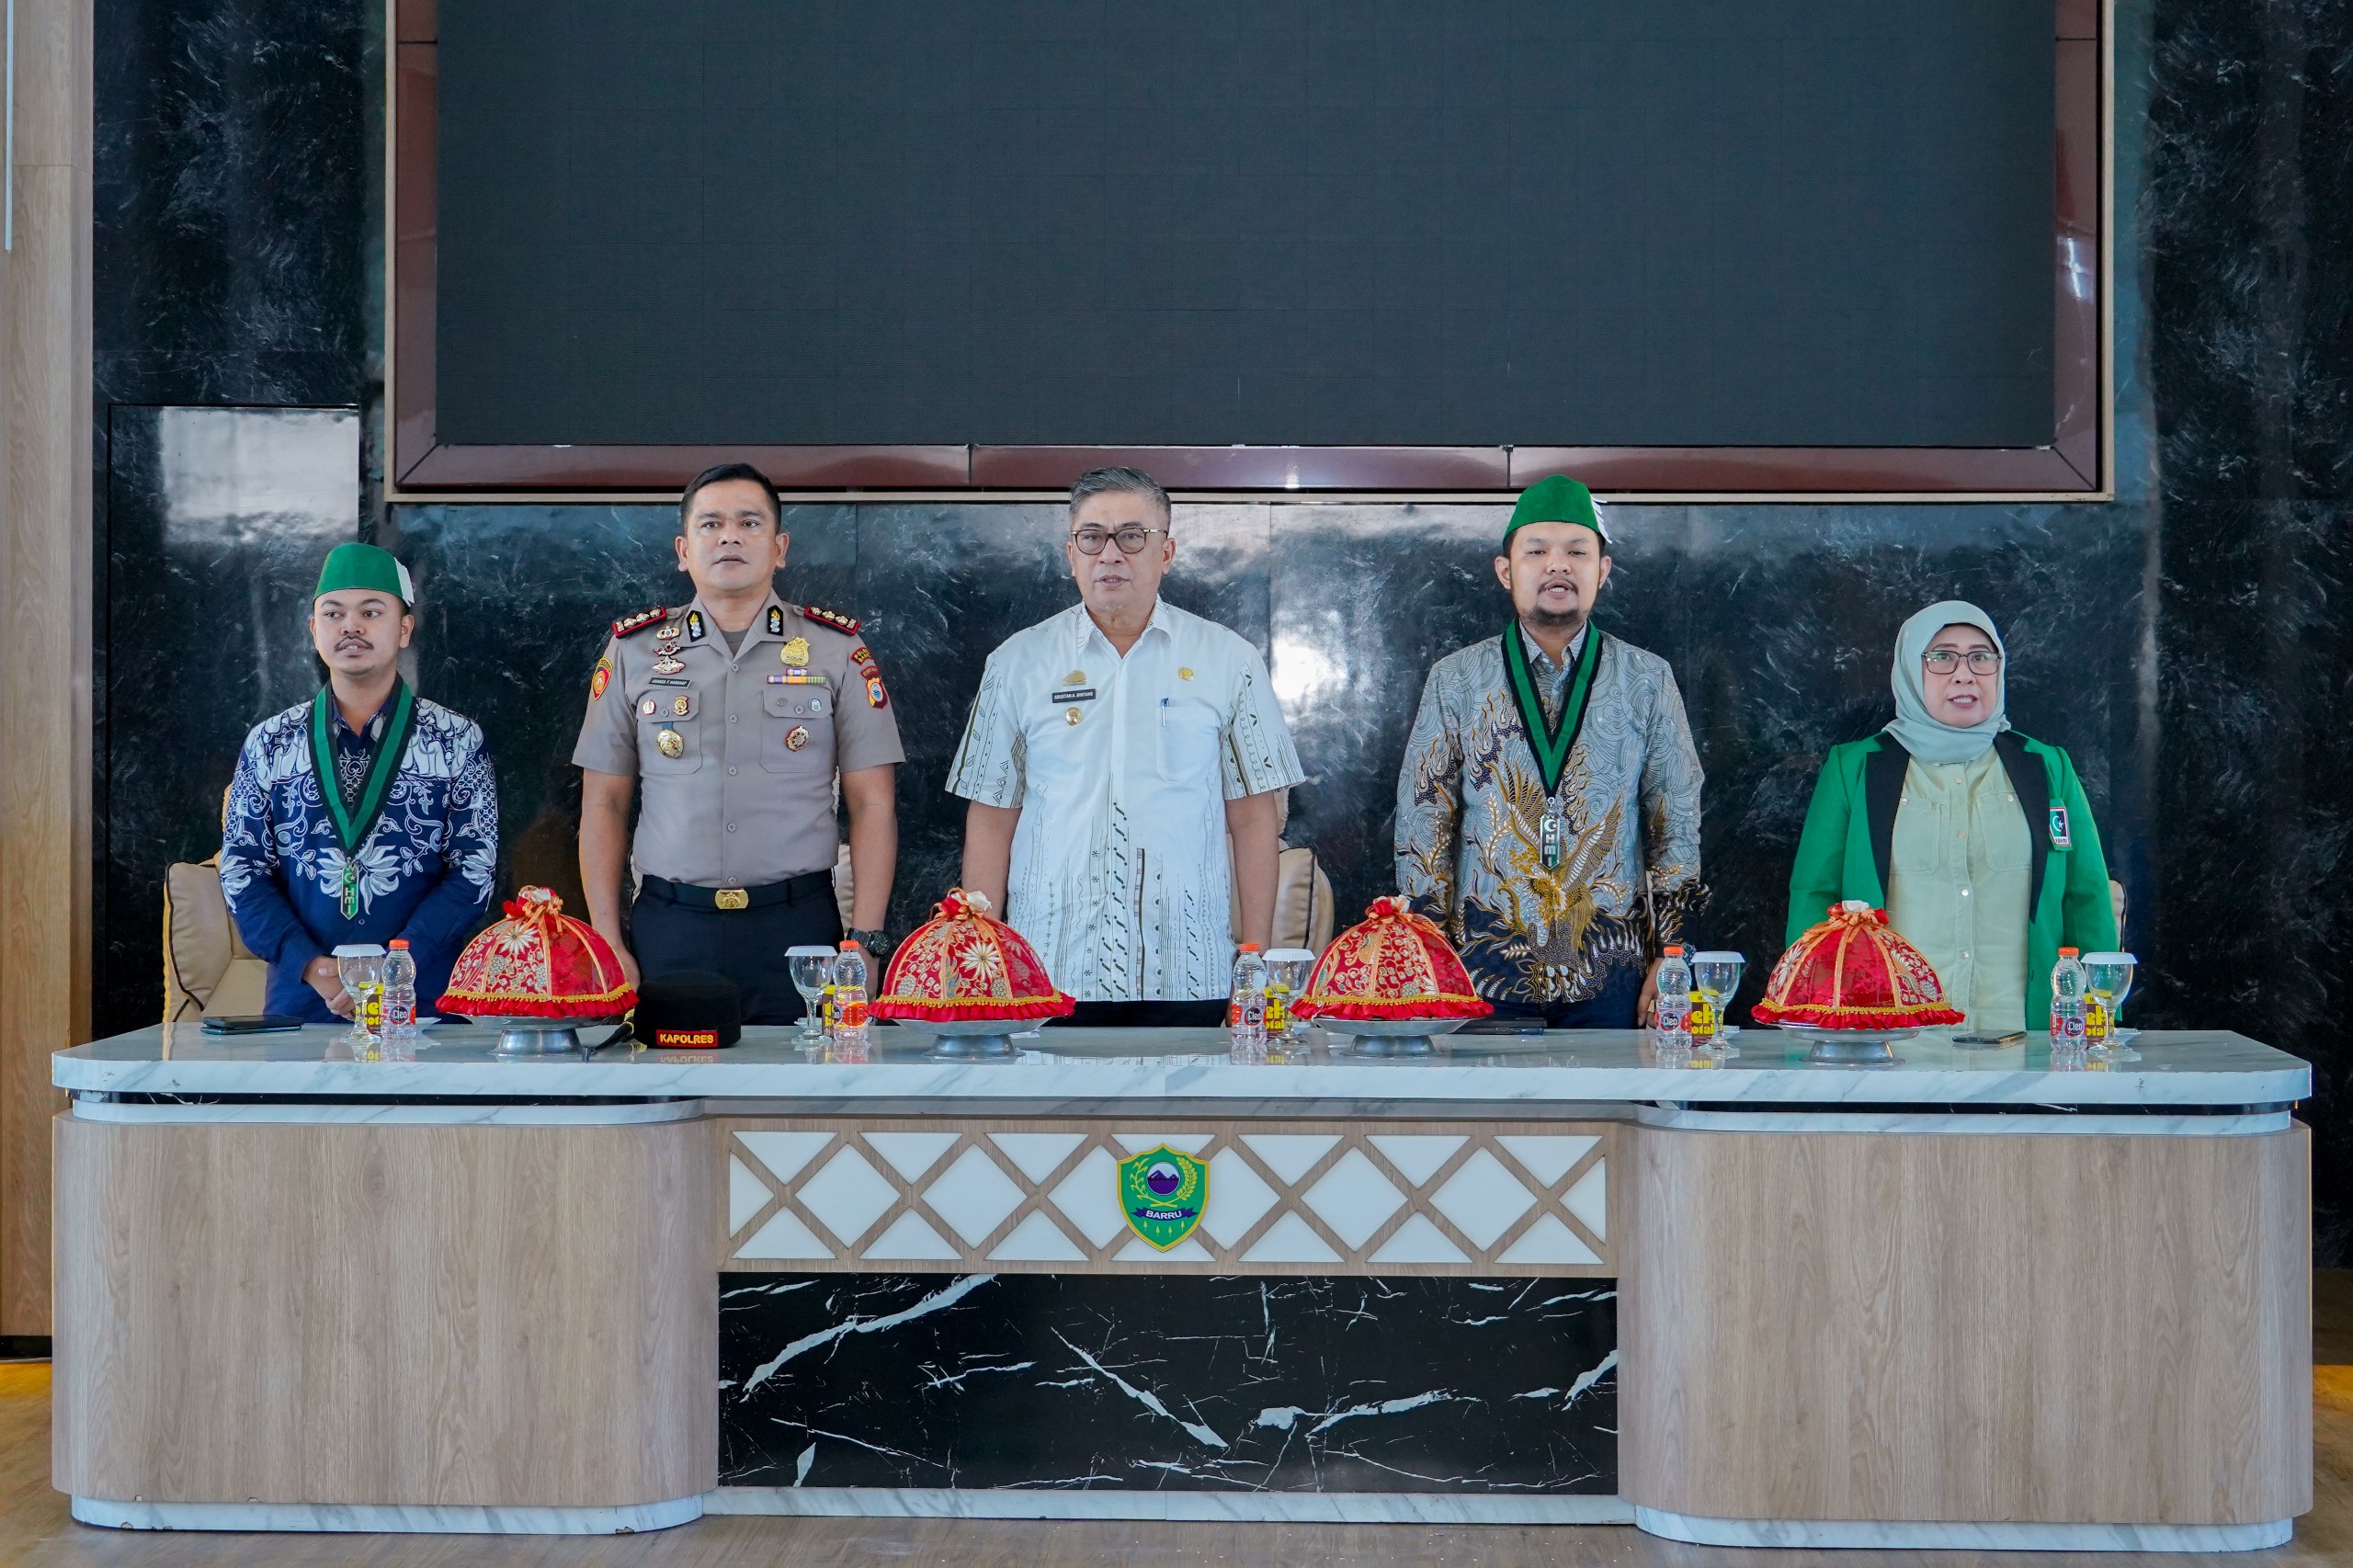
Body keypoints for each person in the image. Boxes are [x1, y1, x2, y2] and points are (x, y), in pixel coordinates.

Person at [948, 467, 1304, 1025]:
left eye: (1132, 536)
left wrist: (1253, 960)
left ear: (1167, 553)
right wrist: (983, 967)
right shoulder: (1017, 663)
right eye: (1092, 537)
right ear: (1071, 554)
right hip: (1047, 972)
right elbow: (992, 819)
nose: (1110, 554)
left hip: (1188, 972)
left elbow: (1254, 818)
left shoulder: (1227, 660)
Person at [574, 462, 903, 1023]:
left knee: (801, 1078)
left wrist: (865, 942)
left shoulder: (836, 650)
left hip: (798, 930)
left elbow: (873, 803)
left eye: (749, 523)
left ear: (779, 548)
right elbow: (603, 803)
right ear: (683, 550)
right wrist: (607, 940)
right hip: (670, 928)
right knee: (668, 1076)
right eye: (711, 524)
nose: (729, 536)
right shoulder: (633, 651)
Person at [1395, 476, 1705, 1027]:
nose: (1557, 565)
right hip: (1480, 969)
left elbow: (1674, 818)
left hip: (1613, 972)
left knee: (1612, 1088)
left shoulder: (1647, 680)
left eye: (1577, 552)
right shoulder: (1457, 679)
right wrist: (1428, 954)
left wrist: (1673, 953)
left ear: (1602, 571)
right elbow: (1424, 820)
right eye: (1536, 551)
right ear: (1505, 571)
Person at [1786, 600, 2117, 1035]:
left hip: (2024, 1037)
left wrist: (2099, 1018)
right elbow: (1815, 893)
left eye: (1981, 657)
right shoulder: (1856, 768)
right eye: (1941, 657)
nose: (1965, 674)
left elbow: (2085, 896)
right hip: (1891, 1039)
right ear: (1910, 670)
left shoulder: (2046, 766)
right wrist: (1810, 1016)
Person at [220, 542, 498, 1021]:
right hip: (304, 1001)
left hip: (421, 998)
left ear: (404, 628)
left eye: (371, 612)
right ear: (314, 629)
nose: (351, 626)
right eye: (334, 614)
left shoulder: (456, 740)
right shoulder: (270, 742)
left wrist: (396, 966)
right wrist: (312, 966)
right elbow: (242, 869)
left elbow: (474, 869)